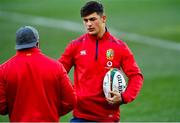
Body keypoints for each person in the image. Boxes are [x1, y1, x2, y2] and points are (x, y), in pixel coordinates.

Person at [59, 1, 144, 122]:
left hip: (108, 118)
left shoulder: (119, 47)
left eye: (92, 19)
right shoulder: (75, 46)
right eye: (85, 20)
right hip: (81, 116)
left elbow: (136, 76)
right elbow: (57, 73)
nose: (89, 24)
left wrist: (124, 97)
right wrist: (72, 92)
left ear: (103, 18)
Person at [0, 26, 76, 122]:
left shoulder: (3, 70)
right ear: (37, 43)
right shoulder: (56, 67)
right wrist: (52, 112)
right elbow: (70, 101)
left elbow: (1, 107)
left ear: (17, 44)